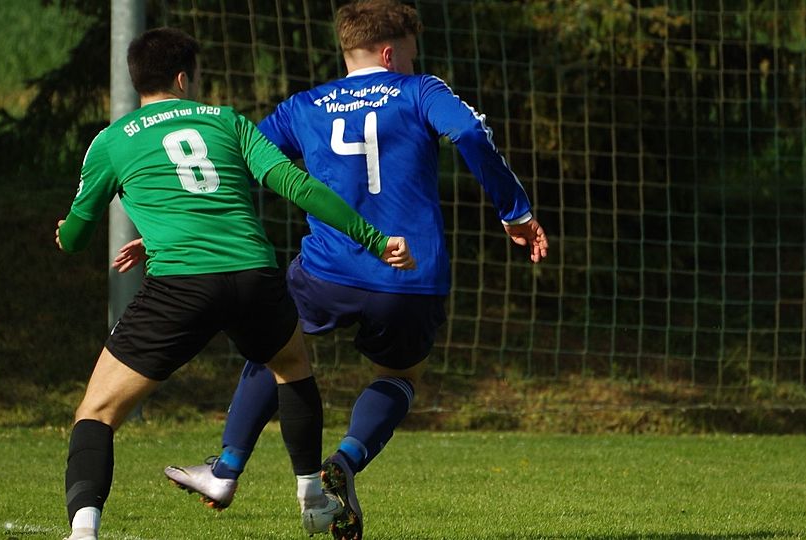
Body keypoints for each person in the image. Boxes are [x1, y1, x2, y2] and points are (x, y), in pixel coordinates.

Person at [154, 1, 548, 538]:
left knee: (275, 348)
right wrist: (515, 212)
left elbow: (236, 161)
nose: (412, 62)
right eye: (410, 52)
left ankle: (226, 469)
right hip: (408, 275)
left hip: (326, 271)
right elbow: (470, 134)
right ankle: (344, 462)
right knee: (400, 376)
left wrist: (172, 225)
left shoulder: (304, 105)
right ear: (389, 54)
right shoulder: (420, 91)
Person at [56, 27, 414, 540]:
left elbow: (76, 236)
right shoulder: (226, 121)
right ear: (184, 79)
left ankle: (84, 531)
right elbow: (297, 185)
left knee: (97, 411)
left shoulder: (112, 141)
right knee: (291, 367)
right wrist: (374, 239)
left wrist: (67, 233)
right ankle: (312, 498)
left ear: (138, 80)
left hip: (180, 285)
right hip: (253, 277)